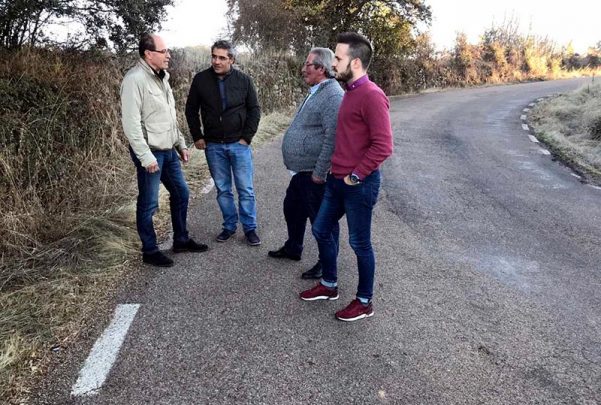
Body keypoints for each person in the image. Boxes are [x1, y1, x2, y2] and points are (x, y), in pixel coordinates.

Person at [299, 32, 393, 322]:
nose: (333, 63)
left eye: (338, 58)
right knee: (320, 229)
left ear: (355, 62)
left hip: (358, 184)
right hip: (336, 180)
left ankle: (364, 302)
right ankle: (329, 285)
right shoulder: (349, 92)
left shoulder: (372, 95)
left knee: (360, 244)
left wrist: (356, 176)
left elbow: (383, 145)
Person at [121, 33, 208, 267]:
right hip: (150, 152)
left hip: (169, 150)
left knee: (181, 193)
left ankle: (181, 240)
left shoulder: (163, 77)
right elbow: (131, 124)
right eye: (163, 51)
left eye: (167, 51)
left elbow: (169, 117)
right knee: (149, 203)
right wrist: (145, 156)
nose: (168, 55)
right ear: (148, 54)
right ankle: (150, 251)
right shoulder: (134, 80)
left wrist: (180, 143)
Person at [268, 48, 343, 279]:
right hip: (302, 172)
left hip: (314, 173)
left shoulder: (333, 96)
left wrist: (320, 172)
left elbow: (333, 137)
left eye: (308, 65)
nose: (303, 69)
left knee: (322, 221)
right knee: (292, 208)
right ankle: (293, 247)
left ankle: (326, 264)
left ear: (321, 68)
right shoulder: (317, 90)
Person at [185, 40, 262, 246]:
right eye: (214, 56)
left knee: (245, 189)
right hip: (213, 145)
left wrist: (246, 137)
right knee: (223, 189)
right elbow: (191, 110)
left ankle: (250, 229)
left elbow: (254, 110)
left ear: (231, 60)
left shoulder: (244, 80)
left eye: (221, 58)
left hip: (239, 144)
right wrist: (197, 136)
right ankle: (229, 226)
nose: (216, 61)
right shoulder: (201, 80)